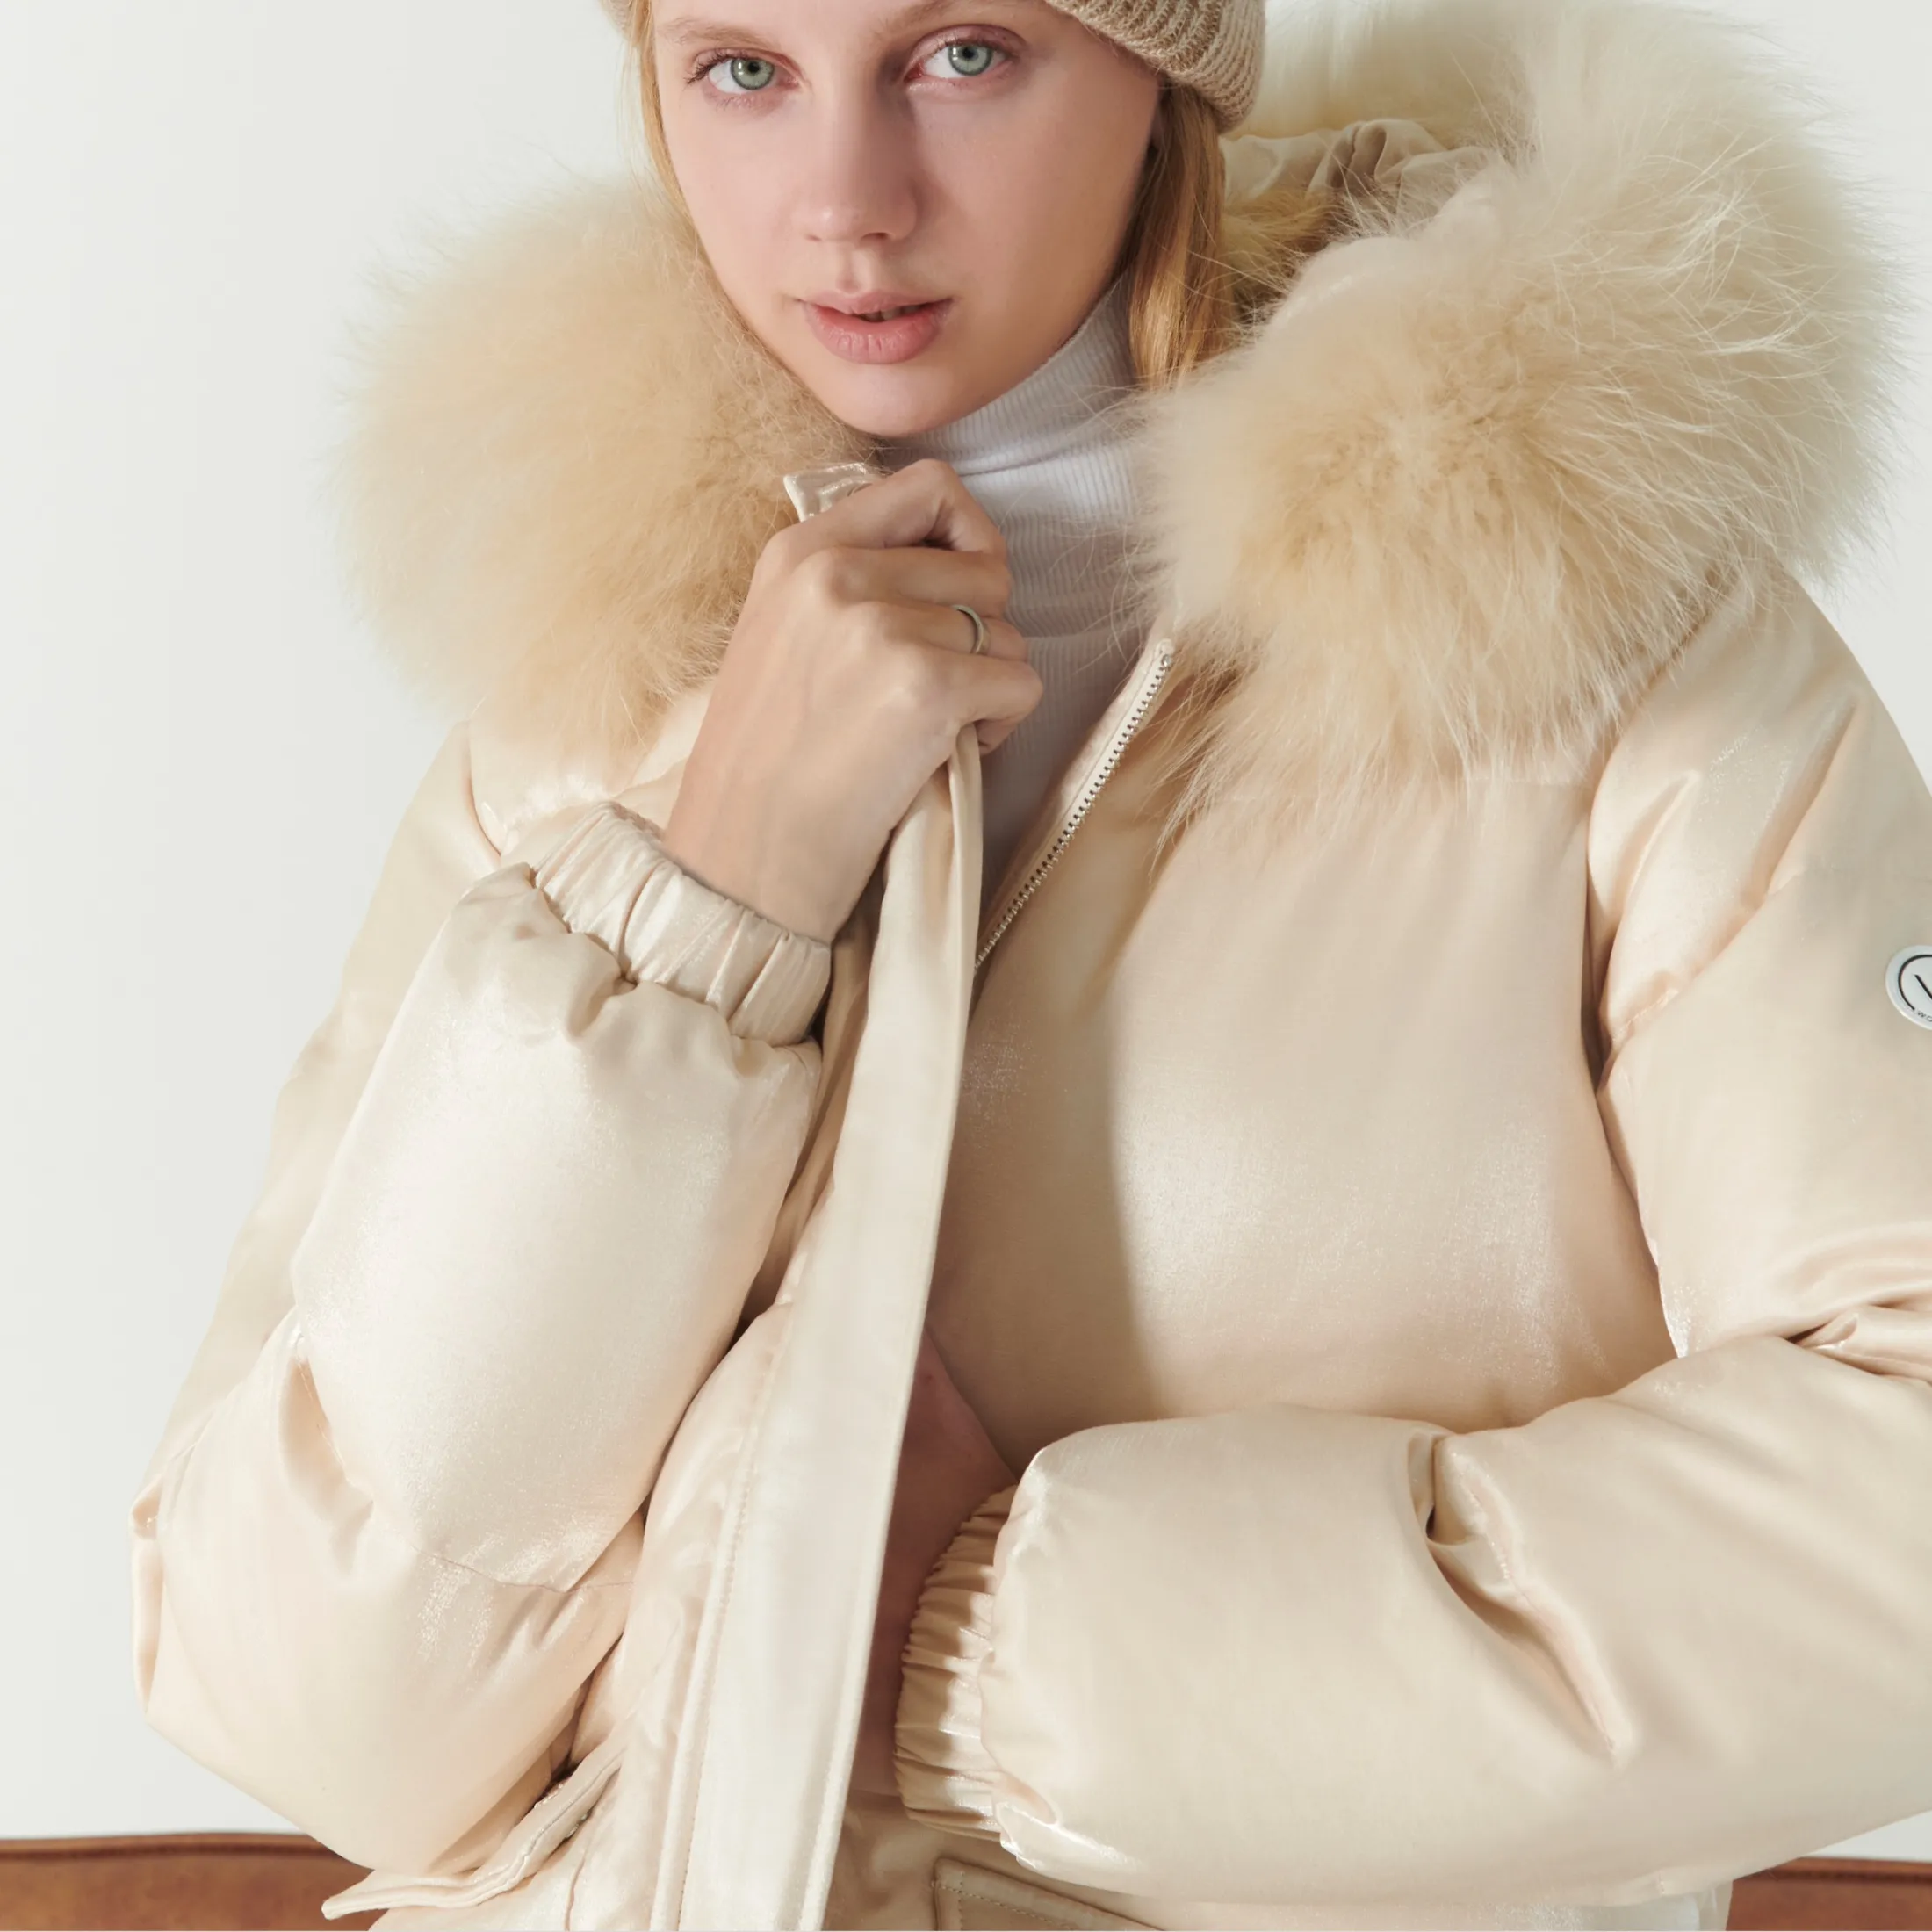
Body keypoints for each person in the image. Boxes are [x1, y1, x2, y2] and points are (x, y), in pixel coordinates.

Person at [131, 0, 1932, 1926]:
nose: (846, 202)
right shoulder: (593, 712)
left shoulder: (1601, 645)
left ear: (1164, 73)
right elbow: (304, 1699)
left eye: (960, 55)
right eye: (743, 69)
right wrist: (712, 901)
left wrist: (984, 1632)